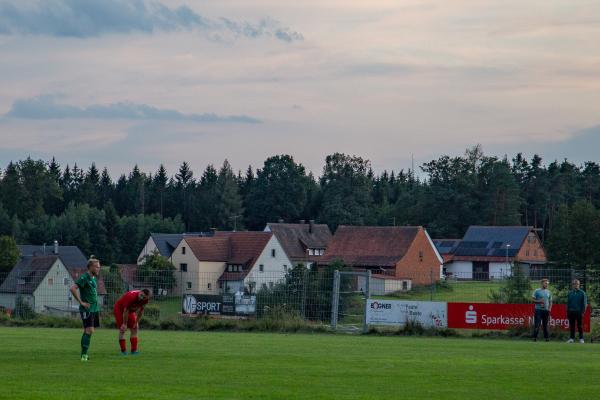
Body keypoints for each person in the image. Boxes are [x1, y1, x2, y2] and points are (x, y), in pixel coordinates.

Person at [70, 257, 101, 361]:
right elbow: (73, 288)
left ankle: (84, 354)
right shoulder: (84, 277)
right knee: (89, 330)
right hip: (87, 309)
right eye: (96, 267)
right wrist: (81, 302)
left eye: (99, 267)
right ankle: (83, 355)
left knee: (90, 331)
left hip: (94, 309)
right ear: (90, 267)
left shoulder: (92, 278)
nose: (98, 269)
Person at [113, 289, 151, 355]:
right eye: (141, 295)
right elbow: (125, 311)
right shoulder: (131, 297)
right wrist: (124, 324)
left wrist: (136, 322)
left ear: (147, 298)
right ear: (140, 292)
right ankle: (123, 351)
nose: (141, 298)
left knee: (135, 328)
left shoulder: (145, 300)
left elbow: (141, 312)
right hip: (120, 309)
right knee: (123, 329)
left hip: (129, 310)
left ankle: (134, 351)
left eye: (144, 297)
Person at [566, 279, 587, 344]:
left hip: (579, 312)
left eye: (577, 284)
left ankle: (581, 339)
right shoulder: (570, 293)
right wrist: (568, 311)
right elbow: (568, 303)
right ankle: (572, 338)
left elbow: (584, 304)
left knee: (579, 326)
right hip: (571, 312)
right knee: (572, 326)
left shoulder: (582, 293)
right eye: (574, 284)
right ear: (572, 285)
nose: (576, 285)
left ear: (579, 285)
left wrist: (582, 312)